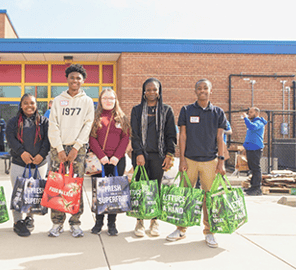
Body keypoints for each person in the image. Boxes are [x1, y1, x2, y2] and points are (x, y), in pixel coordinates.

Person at [166, 78, 227, 248]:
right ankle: (181, 229)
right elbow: (182, 136)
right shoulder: (186, 110)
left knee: (210, 198)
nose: (202, 90)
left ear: (210, 91)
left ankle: (209, 232)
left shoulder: (218, 112)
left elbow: (220, 137)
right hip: (190, 160)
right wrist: (182, 159)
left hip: (210, 161)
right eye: (199, 88)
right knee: (186, 196)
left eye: (205, 88)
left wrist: (221, 161)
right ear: (195, 91)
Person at [47, 64, 94, 238]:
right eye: (72, 77)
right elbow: (53, 125)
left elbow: (88, 124)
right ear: (67, 79)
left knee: (75, 186)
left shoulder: (87, 101)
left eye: (78, 78)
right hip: (58, 148)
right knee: (57, 186)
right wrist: (59, 148)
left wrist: (76, 147)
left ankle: (75, 222)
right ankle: (57, 223)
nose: (75, 80)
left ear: (83, 81)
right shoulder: (58, 100)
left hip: (78, 149)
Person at [130, 78, 176, 237]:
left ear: (159, 91)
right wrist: (139, 153)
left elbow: (171, 135)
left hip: (159, 156)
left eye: (154, 89)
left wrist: (170, 154)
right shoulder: (136, 110)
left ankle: (154, 220)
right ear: (143, 92)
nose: (151, 92)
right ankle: (139, 221)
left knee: (156, 189)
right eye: (148, 90)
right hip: (140, 156)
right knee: (141, 190)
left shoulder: (166, 110)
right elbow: (134, 134)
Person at [6, 93, 50, 237]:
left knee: (34, 193)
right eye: (26, 103)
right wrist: (22, 153)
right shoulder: (13, 122)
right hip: (19, 162)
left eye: (32, 103)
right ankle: (18, 221)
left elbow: (47, 140)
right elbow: (11, 139)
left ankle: (30, 218)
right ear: (21, 105)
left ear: (36, 105)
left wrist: (41, 155)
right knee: (18, 192)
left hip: (39, 163)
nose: (29, 106)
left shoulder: (44, 122)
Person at [89, 88, 130, 236]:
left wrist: (117, 156)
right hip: (100, 160)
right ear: (100, 100)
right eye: (105, 98)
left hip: (117, 161)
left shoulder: (122, 118)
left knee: (114, 192)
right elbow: (91, 138)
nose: (108, 101)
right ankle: (98, 222)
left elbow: (126, 138)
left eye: (111, 98)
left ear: (115, 100)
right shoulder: (95, 117)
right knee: (99, 192)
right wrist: (101, 156)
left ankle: (112, 223)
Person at [242, 107, 267, 196]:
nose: (249, 114)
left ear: (256, 113)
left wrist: (245, 118)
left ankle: (257, 188)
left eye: (251, 112)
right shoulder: (252, 122)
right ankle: (252, 187)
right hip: (250, 148)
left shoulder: (259, 122)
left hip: (256, 148)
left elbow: (252, 127)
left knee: (256, 168)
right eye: (248, 112)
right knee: (252, 168)